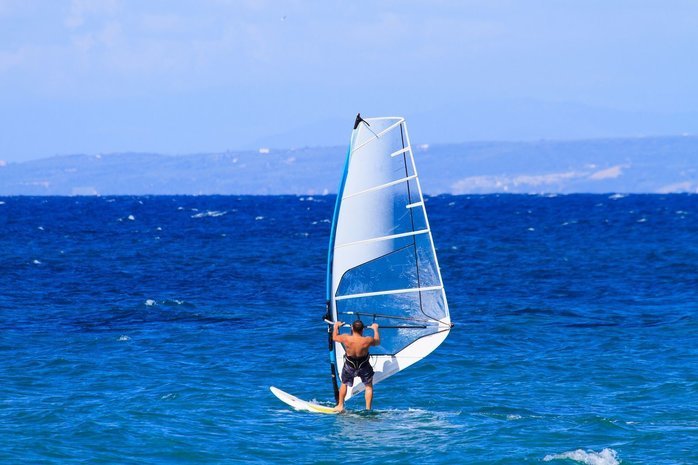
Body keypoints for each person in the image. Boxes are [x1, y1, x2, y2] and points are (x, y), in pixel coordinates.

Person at [332, 319, 380, 412]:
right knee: (368, 386)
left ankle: (340, 406)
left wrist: (336, 326)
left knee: (344, 384)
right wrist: (375, 329)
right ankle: (368, 409)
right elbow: (377, 342)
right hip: (364, 365)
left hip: (350, 365)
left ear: (352, 328)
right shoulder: (367, 339)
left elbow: (334, 337)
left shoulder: (346, 338)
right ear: (362, 330)